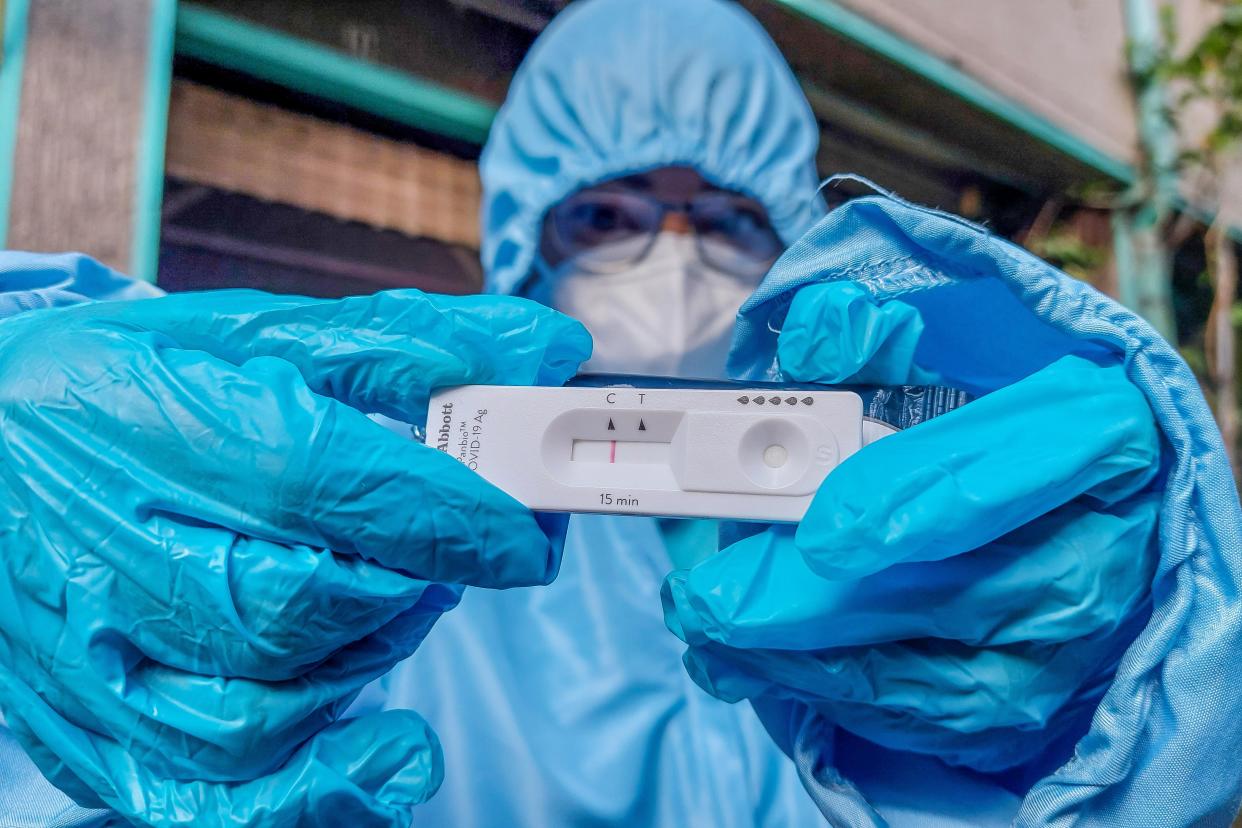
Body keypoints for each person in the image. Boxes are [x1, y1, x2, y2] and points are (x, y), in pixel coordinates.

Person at [0, 3, 1238, 828]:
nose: (673, 256)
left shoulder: (906, 534)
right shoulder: (400, 558)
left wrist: (1126, 690)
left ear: (798, 245)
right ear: (515, 251)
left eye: (729, 217)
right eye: (606, 215)